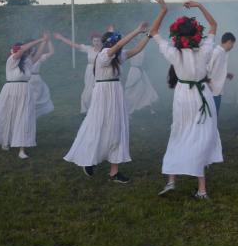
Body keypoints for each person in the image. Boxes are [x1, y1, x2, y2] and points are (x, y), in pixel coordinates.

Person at [149, 0, 222, 199]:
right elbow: (214, 24)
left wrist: (164, 10)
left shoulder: (173, 53)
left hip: (183, 96)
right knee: (200, 137)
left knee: (179, 133)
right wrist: (199, 5)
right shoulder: (206, 48)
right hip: (201, 96)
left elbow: (153, 32)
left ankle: (172, 181)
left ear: (176, 35)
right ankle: (201, 189)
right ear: (197, 34)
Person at [64, 19, 154, 183]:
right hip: (103, 94)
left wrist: (148, 36)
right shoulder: (104, 55)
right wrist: (137, 30)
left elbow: (136, 49)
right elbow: (118, 46)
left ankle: (114, 172)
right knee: (97, 126)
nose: (119, 46)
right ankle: (88, 159)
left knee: (117, 128)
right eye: (116, 43)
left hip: (116, 93)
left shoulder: (117, 57)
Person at [0, 36, 46, 159]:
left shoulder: (27, 61)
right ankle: (5, 141)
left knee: (24, 119)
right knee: (8, 116)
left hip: (25, 92)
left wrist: (44, 42)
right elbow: (21, 50)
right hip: (10, 91)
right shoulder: (11, 59)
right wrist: (39, 40)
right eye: (19, 50)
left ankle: (22, 149)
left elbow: (38, 55)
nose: (21, 52)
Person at [54, 32, 102, 113]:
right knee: (88, 90)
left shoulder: (104, 50)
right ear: (92, 41)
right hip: (90, 72)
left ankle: (99, 107)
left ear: (101, 41)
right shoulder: (89, 48)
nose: (96, 43)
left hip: (100, 71)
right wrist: (61, 38)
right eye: (94, 41)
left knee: (98, 88)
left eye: (98, 41)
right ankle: (87, 108)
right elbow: (75, 45)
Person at [208, 32, 236, 114]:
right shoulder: (216, 52)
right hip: (211, 90)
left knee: (214, 114)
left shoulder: (223, 53)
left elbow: (217, 69)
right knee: (211, 115)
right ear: (229, 42)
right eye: (232, 44)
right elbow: (207, 68)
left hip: (218, 90)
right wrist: (207, 83)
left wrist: (227, 74)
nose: (232, 47)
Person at [124, 48, 159, 115]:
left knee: (145, 89)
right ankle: (130, 108)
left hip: (139, 70)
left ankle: (146, 104)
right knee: (132, 90)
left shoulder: (142, 50)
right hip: (134, 71)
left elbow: (145, 61)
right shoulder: (130, 50)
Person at [29, 33, 55, 118]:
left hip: (36, 78)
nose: (33, 49)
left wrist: (48, 41)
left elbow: (51, 52)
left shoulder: (39, 56)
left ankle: (34, 114)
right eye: (31, 48)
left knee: (40, 97)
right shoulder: (25, 57)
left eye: (34, 47)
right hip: (28, 79)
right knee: (30, 99)